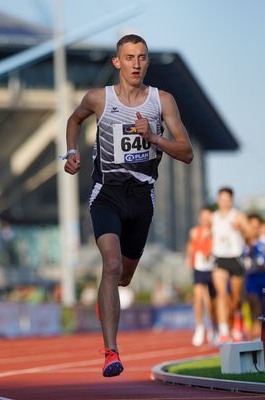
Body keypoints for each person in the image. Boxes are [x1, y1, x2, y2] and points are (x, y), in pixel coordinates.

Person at [62, 34, 193, 377]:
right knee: (111, 263)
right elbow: (74, 120)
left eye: (142, 57)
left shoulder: (162, 101)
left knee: (123, 276)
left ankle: (107, 300)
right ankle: (111, 352)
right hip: (106, 192)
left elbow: (187, 153)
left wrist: (152, 137)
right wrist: (72, 151)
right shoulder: (98, 98)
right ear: (116, 62)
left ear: (148, 62)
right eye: (129, 57)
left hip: (142, 196)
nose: (136, 64)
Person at [211, 187, 250, 343]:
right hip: (220, 258)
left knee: (236, 299)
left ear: (232, 201)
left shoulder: (238, 216)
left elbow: (251, 234)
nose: (225, 202)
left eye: (228, 200)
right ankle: (224, 330)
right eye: (222, 199)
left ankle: (238, 319)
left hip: (236, 258)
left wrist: (241, 229)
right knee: (221, 295)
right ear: (218, 200)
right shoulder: (213, 217)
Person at [185, 207, 217, 347]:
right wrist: (188, 257)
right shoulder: (194, 232)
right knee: (198, 297)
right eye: (203, 216)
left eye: (207, 216)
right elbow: (191, 246)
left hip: (213, 269)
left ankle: (213, 326)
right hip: (199, 267)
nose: (205, 219)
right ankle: (199, 327)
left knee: (211, 302)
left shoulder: (216, 231)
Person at [244, 214, 265, 340]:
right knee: (253, 303)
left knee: (264, 305)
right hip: (251, 277)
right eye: (252, 226)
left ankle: (259, 331)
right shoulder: (244, 241)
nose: (254, 229)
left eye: (256, 226)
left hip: (264, 276)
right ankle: (254, 329)